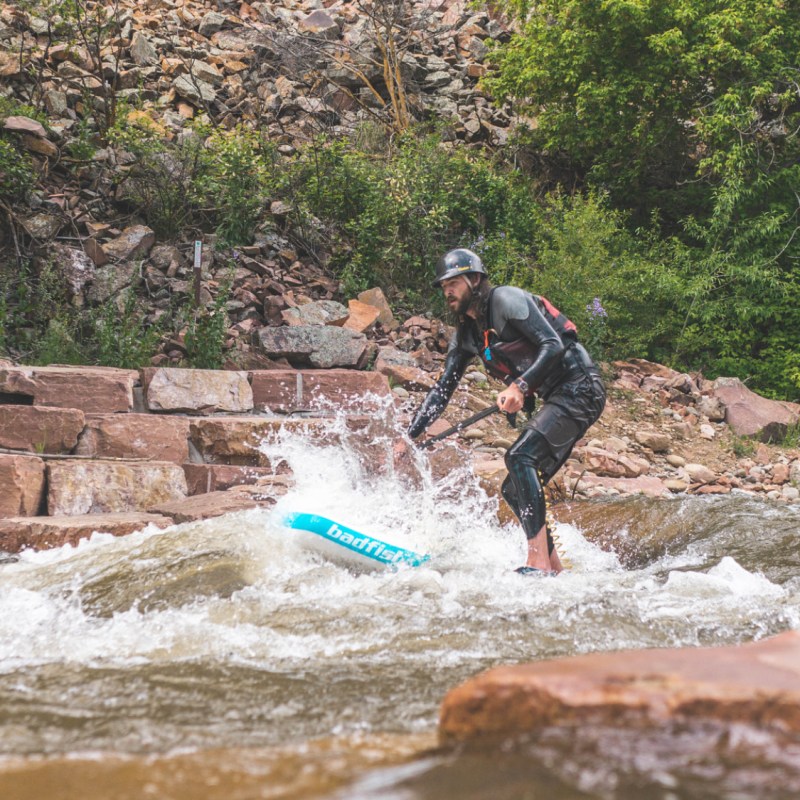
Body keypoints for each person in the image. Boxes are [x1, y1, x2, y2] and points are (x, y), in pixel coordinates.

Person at [407, 247, 606, 574]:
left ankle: (536, 562)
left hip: (580, 386)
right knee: (514, 487)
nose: (447, 291)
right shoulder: (468, 335)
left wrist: (520, 387)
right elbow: (442, 390)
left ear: (474, 280)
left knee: (519, 457)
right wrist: (409, 437)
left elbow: (553, 344)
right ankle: (554, 568)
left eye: (453, 283)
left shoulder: (506, 300)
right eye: (443, 286)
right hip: (559, 396)